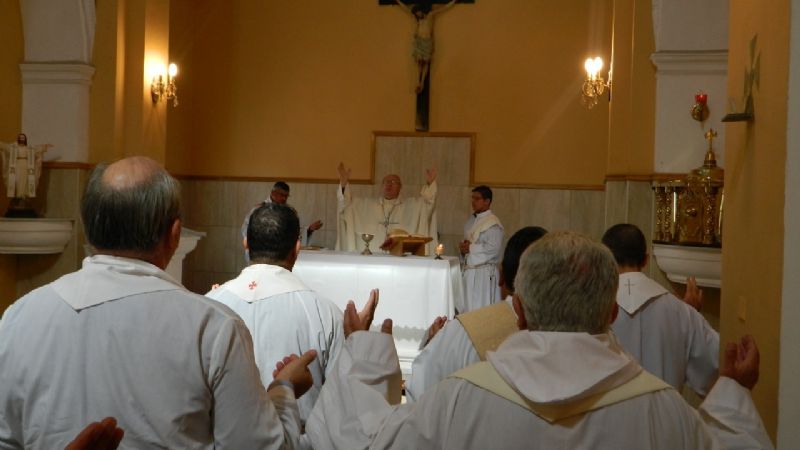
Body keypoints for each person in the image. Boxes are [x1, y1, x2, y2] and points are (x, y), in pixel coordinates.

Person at [306, 231, 773, 450]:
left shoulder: (459, 398)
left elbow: (363, 440)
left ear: (521, 311)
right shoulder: (663, 411)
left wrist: (363, 351)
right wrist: (732, 389)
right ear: (611, 313)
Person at [0, 156, 316, 448]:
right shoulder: (213, 328)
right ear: (174, 235)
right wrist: (283, 391)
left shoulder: (18, 317)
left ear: (89, 228)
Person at [208, 202, 345, 420]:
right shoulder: (325, 313)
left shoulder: (210, 304)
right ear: (297, 248)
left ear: (246, 244)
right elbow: (340, 403)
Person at [405, 226, 547, 401]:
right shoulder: (579, 344)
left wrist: (434, 347)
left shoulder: (460, 334)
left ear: (501, 275)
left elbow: (420, 394)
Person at [602, 223, 720, 395]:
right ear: (645, 259)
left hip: (609, 419)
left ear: (605, 261)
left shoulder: (592, 309)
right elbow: (712, 368)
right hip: (665, 418)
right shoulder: (681, 311)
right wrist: (689, 316)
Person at [335, 162, 438, 254]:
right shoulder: (365, 205)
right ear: (382, 186)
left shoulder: (412, 206)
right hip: (373, 260)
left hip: (400, 260)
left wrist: (430, 184)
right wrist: (344, 185)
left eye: (394, 182)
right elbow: (345, 206)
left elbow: (427, 204)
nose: (389, 185)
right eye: (386, 182)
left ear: (400, 187)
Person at [395, 0, 457, 94]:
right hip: (419, 41)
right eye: (416, 14)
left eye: (417, 12)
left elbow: (444, 8)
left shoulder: (430, 16)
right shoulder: (417, 20)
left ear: (421, 10)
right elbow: (406, 9)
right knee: (419, 63)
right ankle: (418, 81)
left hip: (427, 42)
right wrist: (398, 1)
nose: (417, 15)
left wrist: (454, 1)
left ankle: (422, 82)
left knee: (426, 62)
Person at [458, 185, 503, 312]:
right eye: (472, 198)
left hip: (484, 275)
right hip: (470, 272)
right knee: (467, 311)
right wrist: (463, 249)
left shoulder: (493, 223)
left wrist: (470, 248)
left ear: (487, 201)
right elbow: (469, 245)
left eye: (477, 199)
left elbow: (494, 248)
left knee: (482, 311)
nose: (473, 202)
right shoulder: (471, 221)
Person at [241, 181, 323, 249]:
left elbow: (295, 232)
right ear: (273, 193)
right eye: (282, 195)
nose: (284, 198)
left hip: (281, 255)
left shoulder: (290, 211)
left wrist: (309, 230)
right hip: (262, 252)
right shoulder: (258, 210)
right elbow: (246, 230)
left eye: (286, 196)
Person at [0, 133, 50, 199]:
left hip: (26, 165)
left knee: (25, 180)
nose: (21, 139)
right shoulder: (13, 147)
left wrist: (44, 146)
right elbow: (5, 146)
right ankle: (18, 196)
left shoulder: (29, 148)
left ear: (25, 139)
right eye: (20, 138)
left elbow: (37, 150)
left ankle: (24, 196)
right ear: (18, 139)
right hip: (17, 165)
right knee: (17, 180)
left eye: (23, 138)